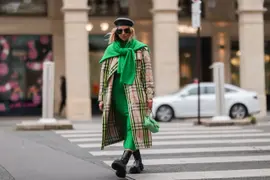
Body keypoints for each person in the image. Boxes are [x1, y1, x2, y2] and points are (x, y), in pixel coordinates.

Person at [98, 17, 155, 178]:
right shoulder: (110, 50)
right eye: (120, 30)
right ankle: (138, 162)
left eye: (127, 30)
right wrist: (101, 98)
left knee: (132, 126)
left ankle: (123, 160)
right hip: (115, 95)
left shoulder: (141, 49)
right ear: (116, 32)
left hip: (135, 94)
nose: (123, 33)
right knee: (127, 128)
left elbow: (148, 75)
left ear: (132, 31)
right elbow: (103, 76)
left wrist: (150, 95)